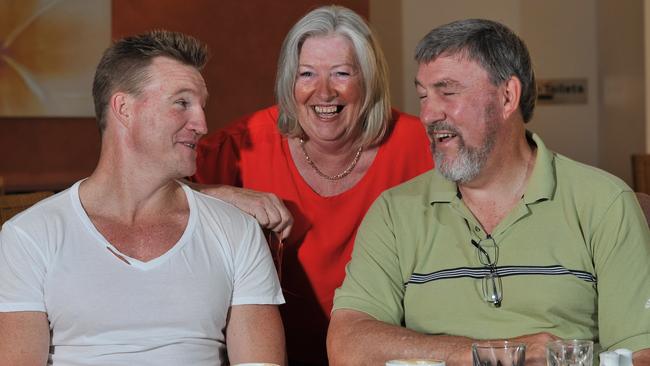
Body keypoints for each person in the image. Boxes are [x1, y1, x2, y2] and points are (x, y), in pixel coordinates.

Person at [328, 19, 650, 365]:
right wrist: (497, 354)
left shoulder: (604, 204)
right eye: (423, 95)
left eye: (447, 92)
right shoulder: (395, 212)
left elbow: (640, 354)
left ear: (508, 96)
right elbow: (347, 344)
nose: (428, 114)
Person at [0, 30, 285, 365]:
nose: (202, 124)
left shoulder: (237, 232)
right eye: (182, 103)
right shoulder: (30, 236)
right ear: (124, 108)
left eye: (201, 106)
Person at [191, 6, 433, 365]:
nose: (323, 92)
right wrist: (218, 194)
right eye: (307, 74)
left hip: (388, 354)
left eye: (341, 73)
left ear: (369, 80)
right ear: (290, 82)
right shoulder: (242, 146)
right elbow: (149, 192)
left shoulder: (422, 145)